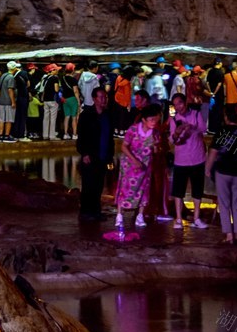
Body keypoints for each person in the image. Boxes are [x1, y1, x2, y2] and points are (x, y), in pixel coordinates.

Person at [206, 105, 237, 245]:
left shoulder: (221, 132)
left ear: (226, 117)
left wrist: (207, 168)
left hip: (223, 171)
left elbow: (213, 152)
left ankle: (229, 236)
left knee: (224, 204)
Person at [114, 103, 162, 229]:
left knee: (143, 190)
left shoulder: (155, 133)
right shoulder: (133, 130)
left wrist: (157, 147)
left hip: (145, 165)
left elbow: (156, 151)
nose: (154, 122)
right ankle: (119, 215)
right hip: (130, 164)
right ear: (144, 120)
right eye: (151, 120)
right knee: (125, 189)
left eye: (156, 120)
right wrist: (134, 160)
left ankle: (140, 216)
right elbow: (124, 146)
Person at [168, 93, 209, 229]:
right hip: (181, 159)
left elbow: (203, 129)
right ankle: (178, 219)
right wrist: (177, 134)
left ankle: (196, 217)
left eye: (180, 103)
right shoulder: (174, 120)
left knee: (197, 190)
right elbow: (172, 140)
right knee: (178, 190)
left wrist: (192, 127)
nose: (178, 107)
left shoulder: (196, 115)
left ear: (185, 102)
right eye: (175, 104)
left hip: (197, 158)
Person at [76, 87, 115, 221]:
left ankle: (95, 211)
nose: (103, 100)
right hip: (90, 155)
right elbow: (82, 136)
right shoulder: (86, 115)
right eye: (101, 97)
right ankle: (86, 212)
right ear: (94, 99)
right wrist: (84, 153)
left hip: (103, 155)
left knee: (98, 185)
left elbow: (110, 137)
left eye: (105, 97)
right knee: (88, 185)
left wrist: (110, 156)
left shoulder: (107, 115)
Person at [0, 61, 18, 142]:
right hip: (8, 102)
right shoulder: (11, 77)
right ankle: (6, 136)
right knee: (9, 119)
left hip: (2, 101)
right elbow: (10, 90)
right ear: (14, 68)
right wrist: (13, 101)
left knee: (1, 119)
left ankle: (0, 136)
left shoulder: (3, 76)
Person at [60, 63, 80, 139]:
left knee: (67, 117)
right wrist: (78, 101)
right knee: (74, 117)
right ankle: (74, 134)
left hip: (65, 100)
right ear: (73, 70)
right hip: (72, 99)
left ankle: (65, 134)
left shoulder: (63, 78)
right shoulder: (73, 79)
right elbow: (75, 91)